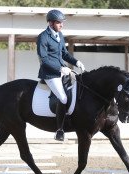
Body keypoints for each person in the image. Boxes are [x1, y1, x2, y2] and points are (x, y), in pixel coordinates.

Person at [36, 9, 85, 141]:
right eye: (59, 22)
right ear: (51, 23)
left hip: (62, 70)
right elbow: (44, 59)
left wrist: (76, 62)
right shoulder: (43, 37)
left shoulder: (60, 35)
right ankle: (59, 130)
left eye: (62, 22)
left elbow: (64, 54)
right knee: (63, 98)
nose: (62, 25)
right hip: (50, 74)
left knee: (78, 87)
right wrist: (60, 69)